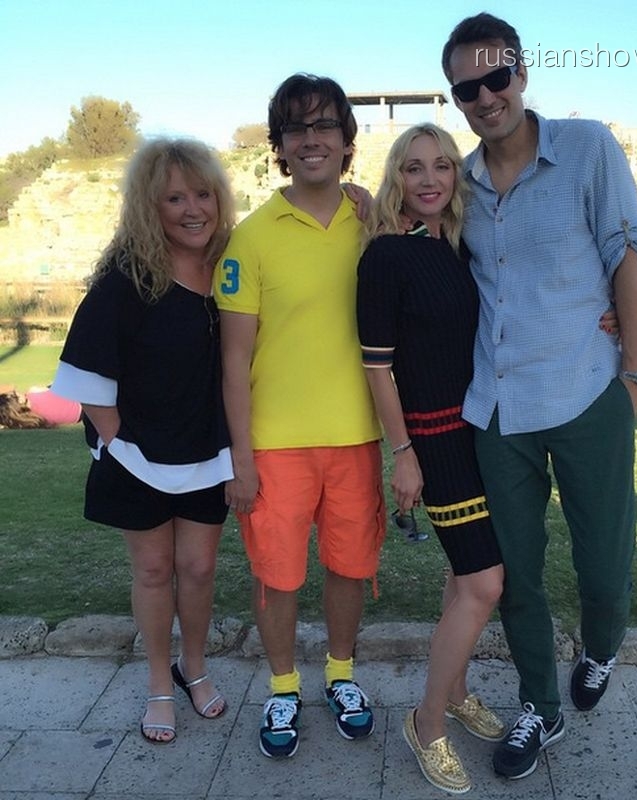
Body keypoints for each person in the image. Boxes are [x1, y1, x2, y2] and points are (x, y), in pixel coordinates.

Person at [441, 13, 637, 781]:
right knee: (516, 574)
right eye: (466, 88)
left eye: (495, 78)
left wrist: (634, 377)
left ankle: (601, 648)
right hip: (498, 408)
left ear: (522, 75)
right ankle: (540, 705)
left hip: (588, 389)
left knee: (604, 561)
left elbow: (627, 256)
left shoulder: (589, 147)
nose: (484, 97)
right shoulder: (459, 181)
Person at [214, 74, 384, 760]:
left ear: (346, 139)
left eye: (324, 125)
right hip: (275, 445)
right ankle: (283, 686)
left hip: (357, 436)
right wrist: (241, 459)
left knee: (349, 566)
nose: (311, 139)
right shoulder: (251, 238)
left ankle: (341, 675)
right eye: (296, 128)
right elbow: (233, 361)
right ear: (280, 146)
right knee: (277, 575)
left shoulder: (373, 223)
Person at [51, 138, 235, 744]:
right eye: (174, 198)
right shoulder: (126, 281)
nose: (192, 209)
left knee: (198, 568)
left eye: (202, 194)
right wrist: (121, 447)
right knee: (155, 570)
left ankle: (193, 668)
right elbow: (87, 379)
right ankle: (159, 683)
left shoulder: (231, 268)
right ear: (148, 207)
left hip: (208, 453)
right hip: (139, 457)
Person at [357, 123, 505, 794]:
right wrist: (404, 453)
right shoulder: (386, 255)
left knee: (460, 577)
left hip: (479, 429)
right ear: (397, 176)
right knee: (485, 583)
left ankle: (456, 691)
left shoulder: (457, 243)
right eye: (413, 167)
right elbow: (377, 367)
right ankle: (427, 723)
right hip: (434, 438)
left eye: (442, 165)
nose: (429, 179)